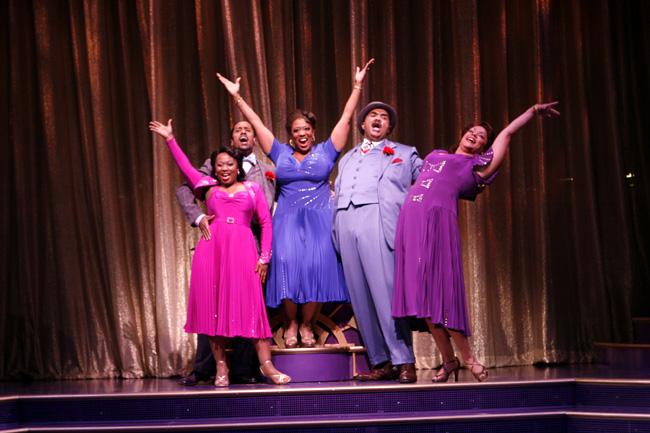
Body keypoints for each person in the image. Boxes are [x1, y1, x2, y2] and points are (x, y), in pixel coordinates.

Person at [392, 102, 561, 383]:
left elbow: (506, 134)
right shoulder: (435, 155)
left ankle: (469, 358)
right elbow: (416, 185)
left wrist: (531, 112)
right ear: (461, 134)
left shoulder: (476, 166)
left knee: (441, 298)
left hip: (437, 227)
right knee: (424, 303)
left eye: (481, 136)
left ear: (483, 148)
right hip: (410, 224)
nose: (475, 135)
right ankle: (449, 361)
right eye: (472, 131)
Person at [216, 59, 373, 349]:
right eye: (297, 130)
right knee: (286, 266)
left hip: (319, 218)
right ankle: (290, 322)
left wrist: (357, 86)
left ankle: (307, 323)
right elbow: (257, 123)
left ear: (314, 132)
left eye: (307, 129)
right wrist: (237, 96)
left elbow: (346, 118)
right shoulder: (280, 152)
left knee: (315, 267)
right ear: (291, 133)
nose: (302, 134)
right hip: (287, 218)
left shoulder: (327, 151)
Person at [149, 119, 290, 386]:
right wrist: (170, 139)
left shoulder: (253, 188)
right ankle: (221, 367)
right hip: (212, 250)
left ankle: (267, 367)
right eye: (220, 164)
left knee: (251, 309)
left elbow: (266, 223)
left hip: (244, 249)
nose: (225, 168)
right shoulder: (208, 186)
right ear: (214, 168)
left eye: (230, 164)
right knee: (214, 311)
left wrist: (265, 258)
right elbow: (185, 167)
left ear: (238, 167)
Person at [331, 101, 422, 383]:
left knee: (385, 294)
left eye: (384, 118)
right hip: (346, 225)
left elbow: (431, 182)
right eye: (373, 116)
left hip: (379, 222)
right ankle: (382, 361)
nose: (379, 120)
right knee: (361, 297)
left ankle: (404, 359)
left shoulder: (405, 154)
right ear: (362, 124)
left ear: (389, 127)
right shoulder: (346, 159)